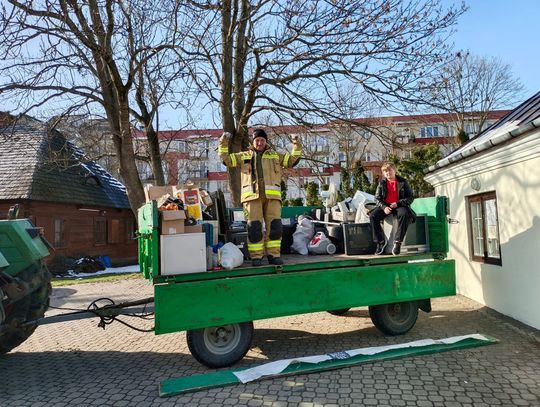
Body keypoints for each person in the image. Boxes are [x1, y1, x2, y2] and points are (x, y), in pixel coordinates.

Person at [219, 129, 301, 266]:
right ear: (253, 141)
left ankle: (274, 255)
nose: (260, 142)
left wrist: (296, 144)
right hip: (251, 198)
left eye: (262, 140)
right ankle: (256, 257)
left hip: (272, 198)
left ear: (266, 142)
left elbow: (292, 160)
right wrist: (223, 142)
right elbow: (226, 159)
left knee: (275, 227)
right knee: (254, 228)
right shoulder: (244, 155)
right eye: (257, 140)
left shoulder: (275, 155)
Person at [369, 162, 415, 255]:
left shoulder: (403, 182)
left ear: (394, 170)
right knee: (373, 215)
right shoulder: (382, 183)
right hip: (386, 206)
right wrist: (384, 207)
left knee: (404, 214)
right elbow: (377, 198)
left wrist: (398, 203)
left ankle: (398, 243)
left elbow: (410, 197)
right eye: (385, 171)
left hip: (399, 205)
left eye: (389, 170)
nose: (387, 173)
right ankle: (380, 242)